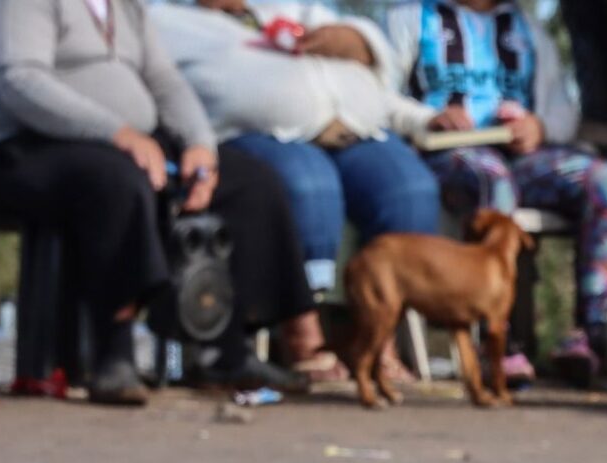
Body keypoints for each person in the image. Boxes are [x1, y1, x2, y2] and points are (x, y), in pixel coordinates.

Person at [0, 0, 312, 405]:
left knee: (251, 181)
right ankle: (112, 354)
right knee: (116, 180)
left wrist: (199, 146)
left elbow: (164, 80)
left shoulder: (125, 5)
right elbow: (21, 81)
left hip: (119, 145)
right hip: (15, 149)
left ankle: (224, 349)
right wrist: (118, 134)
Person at [153, 0, 452, 381]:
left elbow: (379, 76)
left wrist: (358, 43)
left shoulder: (297, 8)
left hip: (358, 130)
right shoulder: (169, 20)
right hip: (251, 136)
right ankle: (303, 335)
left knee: (408, 188)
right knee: (309, 185)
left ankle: (378, 342)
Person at [377, 0, 607, 384]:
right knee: (491, 180)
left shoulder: (529, 29)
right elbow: (376, 95)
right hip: (446, 157)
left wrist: (539, 126)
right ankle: (496, 340)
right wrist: (428, 118)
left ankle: (590, 335)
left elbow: (565, 109)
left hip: (522, 159)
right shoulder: (409, 20)